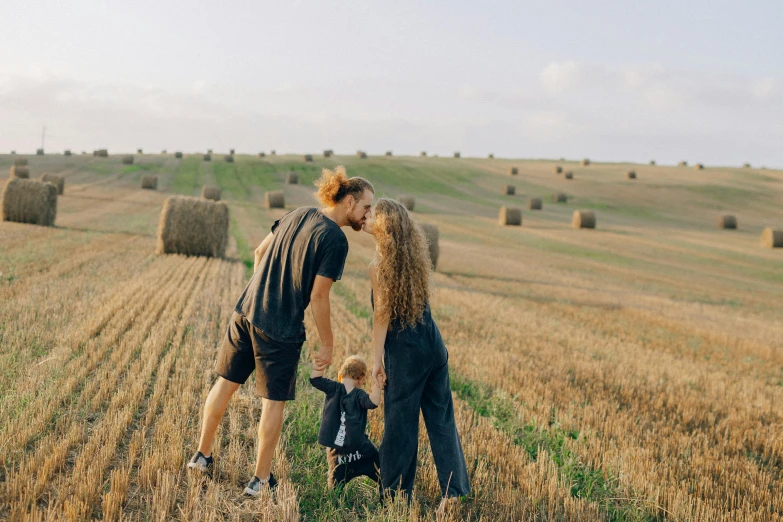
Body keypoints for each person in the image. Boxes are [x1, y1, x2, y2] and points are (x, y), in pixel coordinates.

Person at [187, 166, 374, 496]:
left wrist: (263, 292)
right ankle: (260, 480)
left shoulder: (298, 213)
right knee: (272, 404)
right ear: (348, 202)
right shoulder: (335, 240)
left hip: (246, 309)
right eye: (366, 207)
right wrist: (328, 345)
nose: (368, 215)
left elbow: (259, 252)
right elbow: (318, 296)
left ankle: (201, 457)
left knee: (225, 384)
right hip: (280, 328)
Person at [363, 198, 470, 508]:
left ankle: (395, 497)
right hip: (433, 347)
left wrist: (377, 361)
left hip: (406, 354)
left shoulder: (379, 266)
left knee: (399, 428)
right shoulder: (415, 260)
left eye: (372, 214)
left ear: (384, 226)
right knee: (442, 422)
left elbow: (381, 316)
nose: (366, 217)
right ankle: (455, 493)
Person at [309, 355, 382, 489]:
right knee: (380, 467)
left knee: (335, 484)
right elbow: (373, 402)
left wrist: (320, 363)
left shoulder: (333, 387)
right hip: (360, 449)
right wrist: (378, 382)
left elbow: (315, 380)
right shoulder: (359, 395)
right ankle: (388, 488)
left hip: (337, 452)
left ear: (340, 374)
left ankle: (334, 496)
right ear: (361, 379)